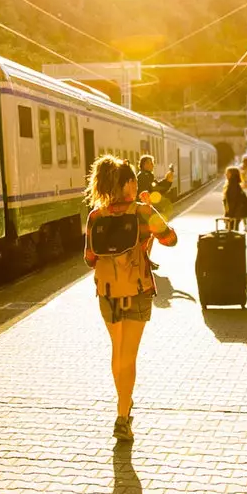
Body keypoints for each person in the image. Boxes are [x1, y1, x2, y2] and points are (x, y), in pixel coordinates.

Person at [84, 155, 177, 443]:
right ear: (128, 184)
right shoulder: (142, 211)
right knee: (129, 355)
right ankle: (122, 416)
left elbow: (89, 259)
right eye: (134, 181)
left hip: (108, 293)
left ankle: (123, 404)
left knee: (117, 350)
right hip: (136, 290)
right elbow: (170, 239)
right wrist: (150, 213)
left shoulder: (95, 216)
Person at [222, 166, 247, 231]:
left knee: (231, 232)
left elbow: (232, 202)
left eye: (228, 173)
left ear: (232, 175)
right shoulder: (234, 184)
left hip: (234, 214)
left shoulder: (233, 185)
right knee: (233, 232)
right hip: (235, 214)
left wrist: (230, 216)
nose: (226, 174)